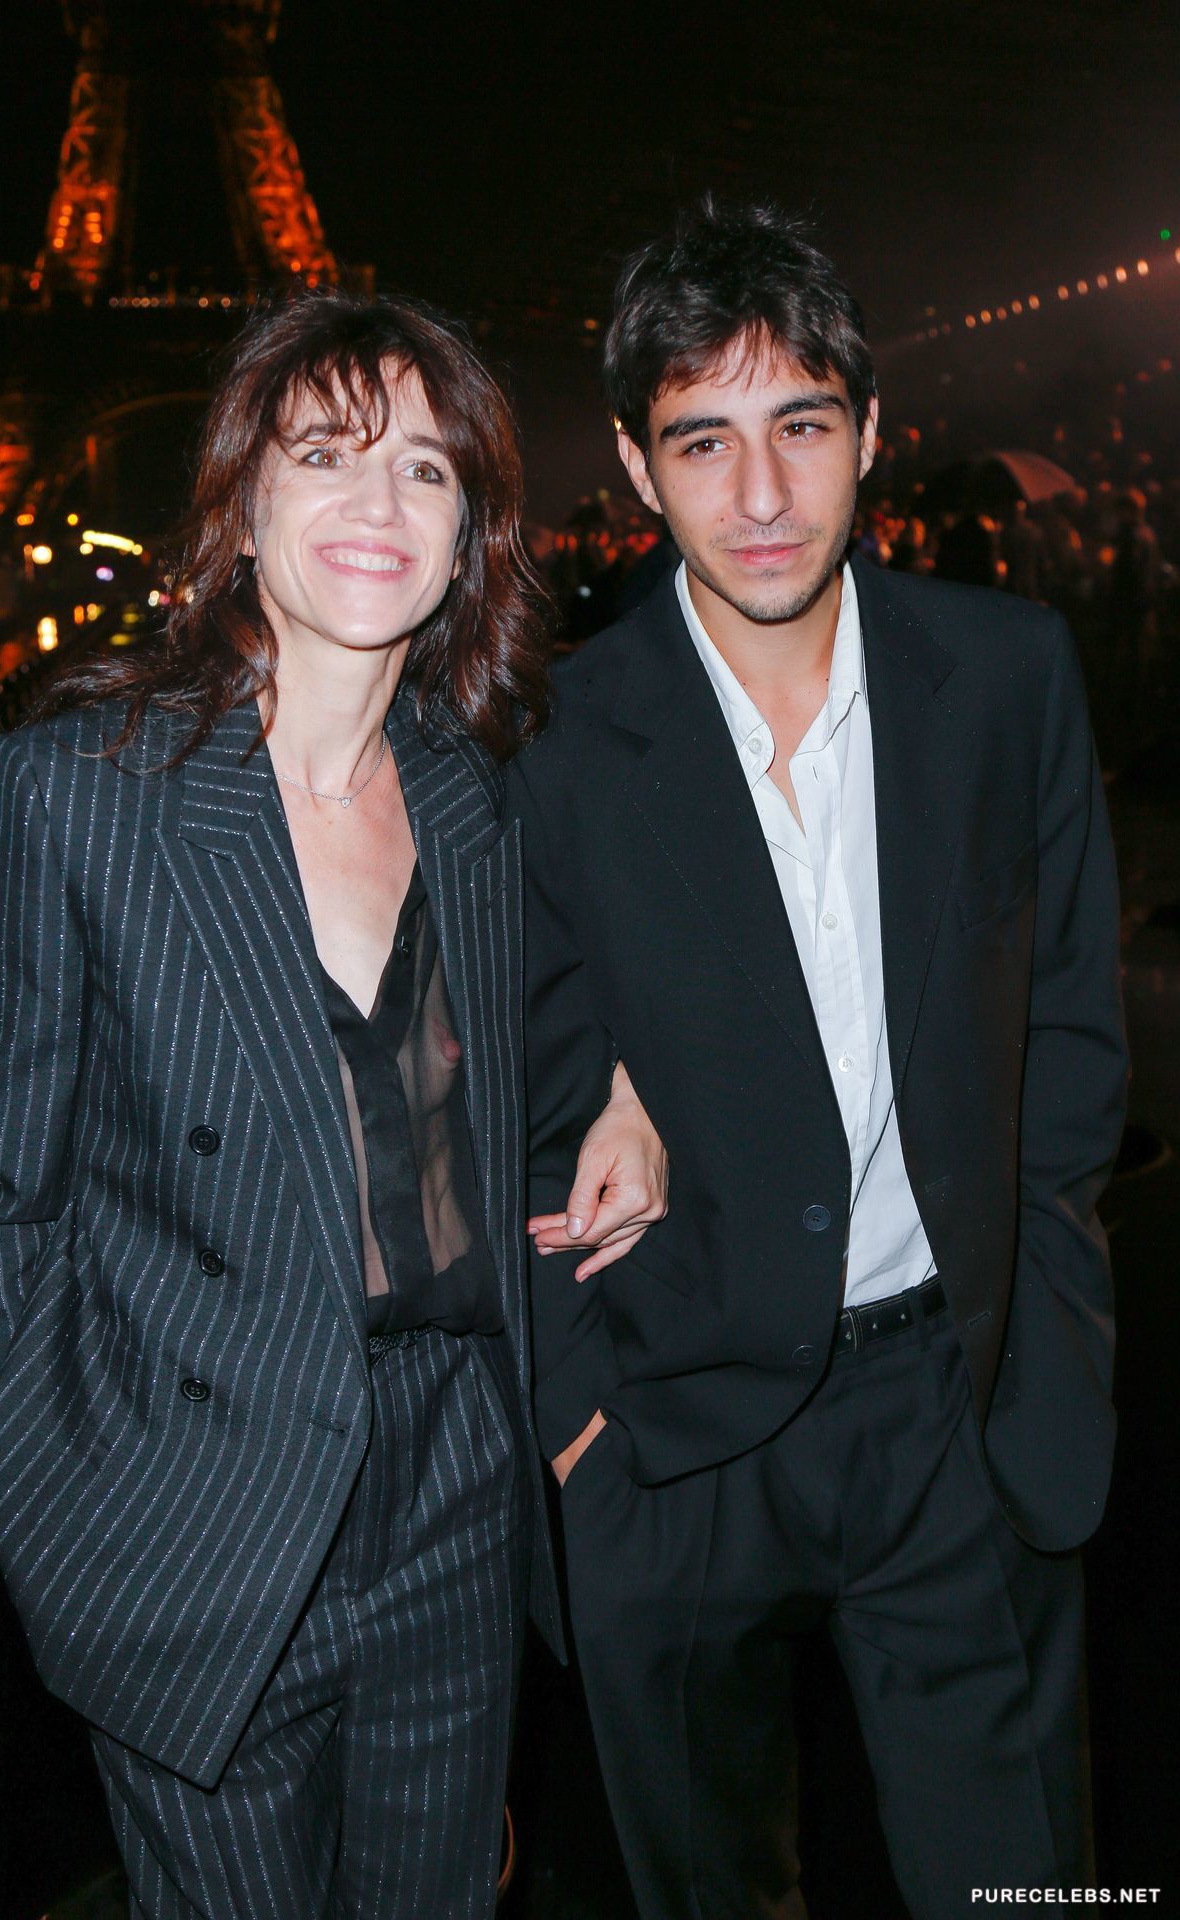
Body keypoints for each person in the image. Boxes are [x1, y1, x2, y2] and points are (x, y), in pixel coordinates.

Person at [0, 289, 666, 1920]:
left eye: (425, 467)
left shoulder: (480, 796)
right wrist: (64, 1533)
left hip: (456, 1485)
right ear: (240, 502)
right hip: (197, 1509)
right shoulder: (79, 792)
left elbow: (569, 1016)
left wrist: (631, 1091)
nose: (377, 501)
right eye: (326, 453)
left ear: (467, 536)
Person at [514, 201, 1127, 1919]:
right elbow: (506, 1102)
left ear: (869, 428)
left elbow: (1070, 1035)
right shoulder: (551, 747)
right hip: (671, 1433)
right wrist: (580, 1433)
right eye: (703, 441)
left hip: (958, 1408)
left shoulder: (1005, 676)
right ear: (637, 470)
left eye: (800, 426)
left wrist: (1050, 1335)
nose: (763, 493)